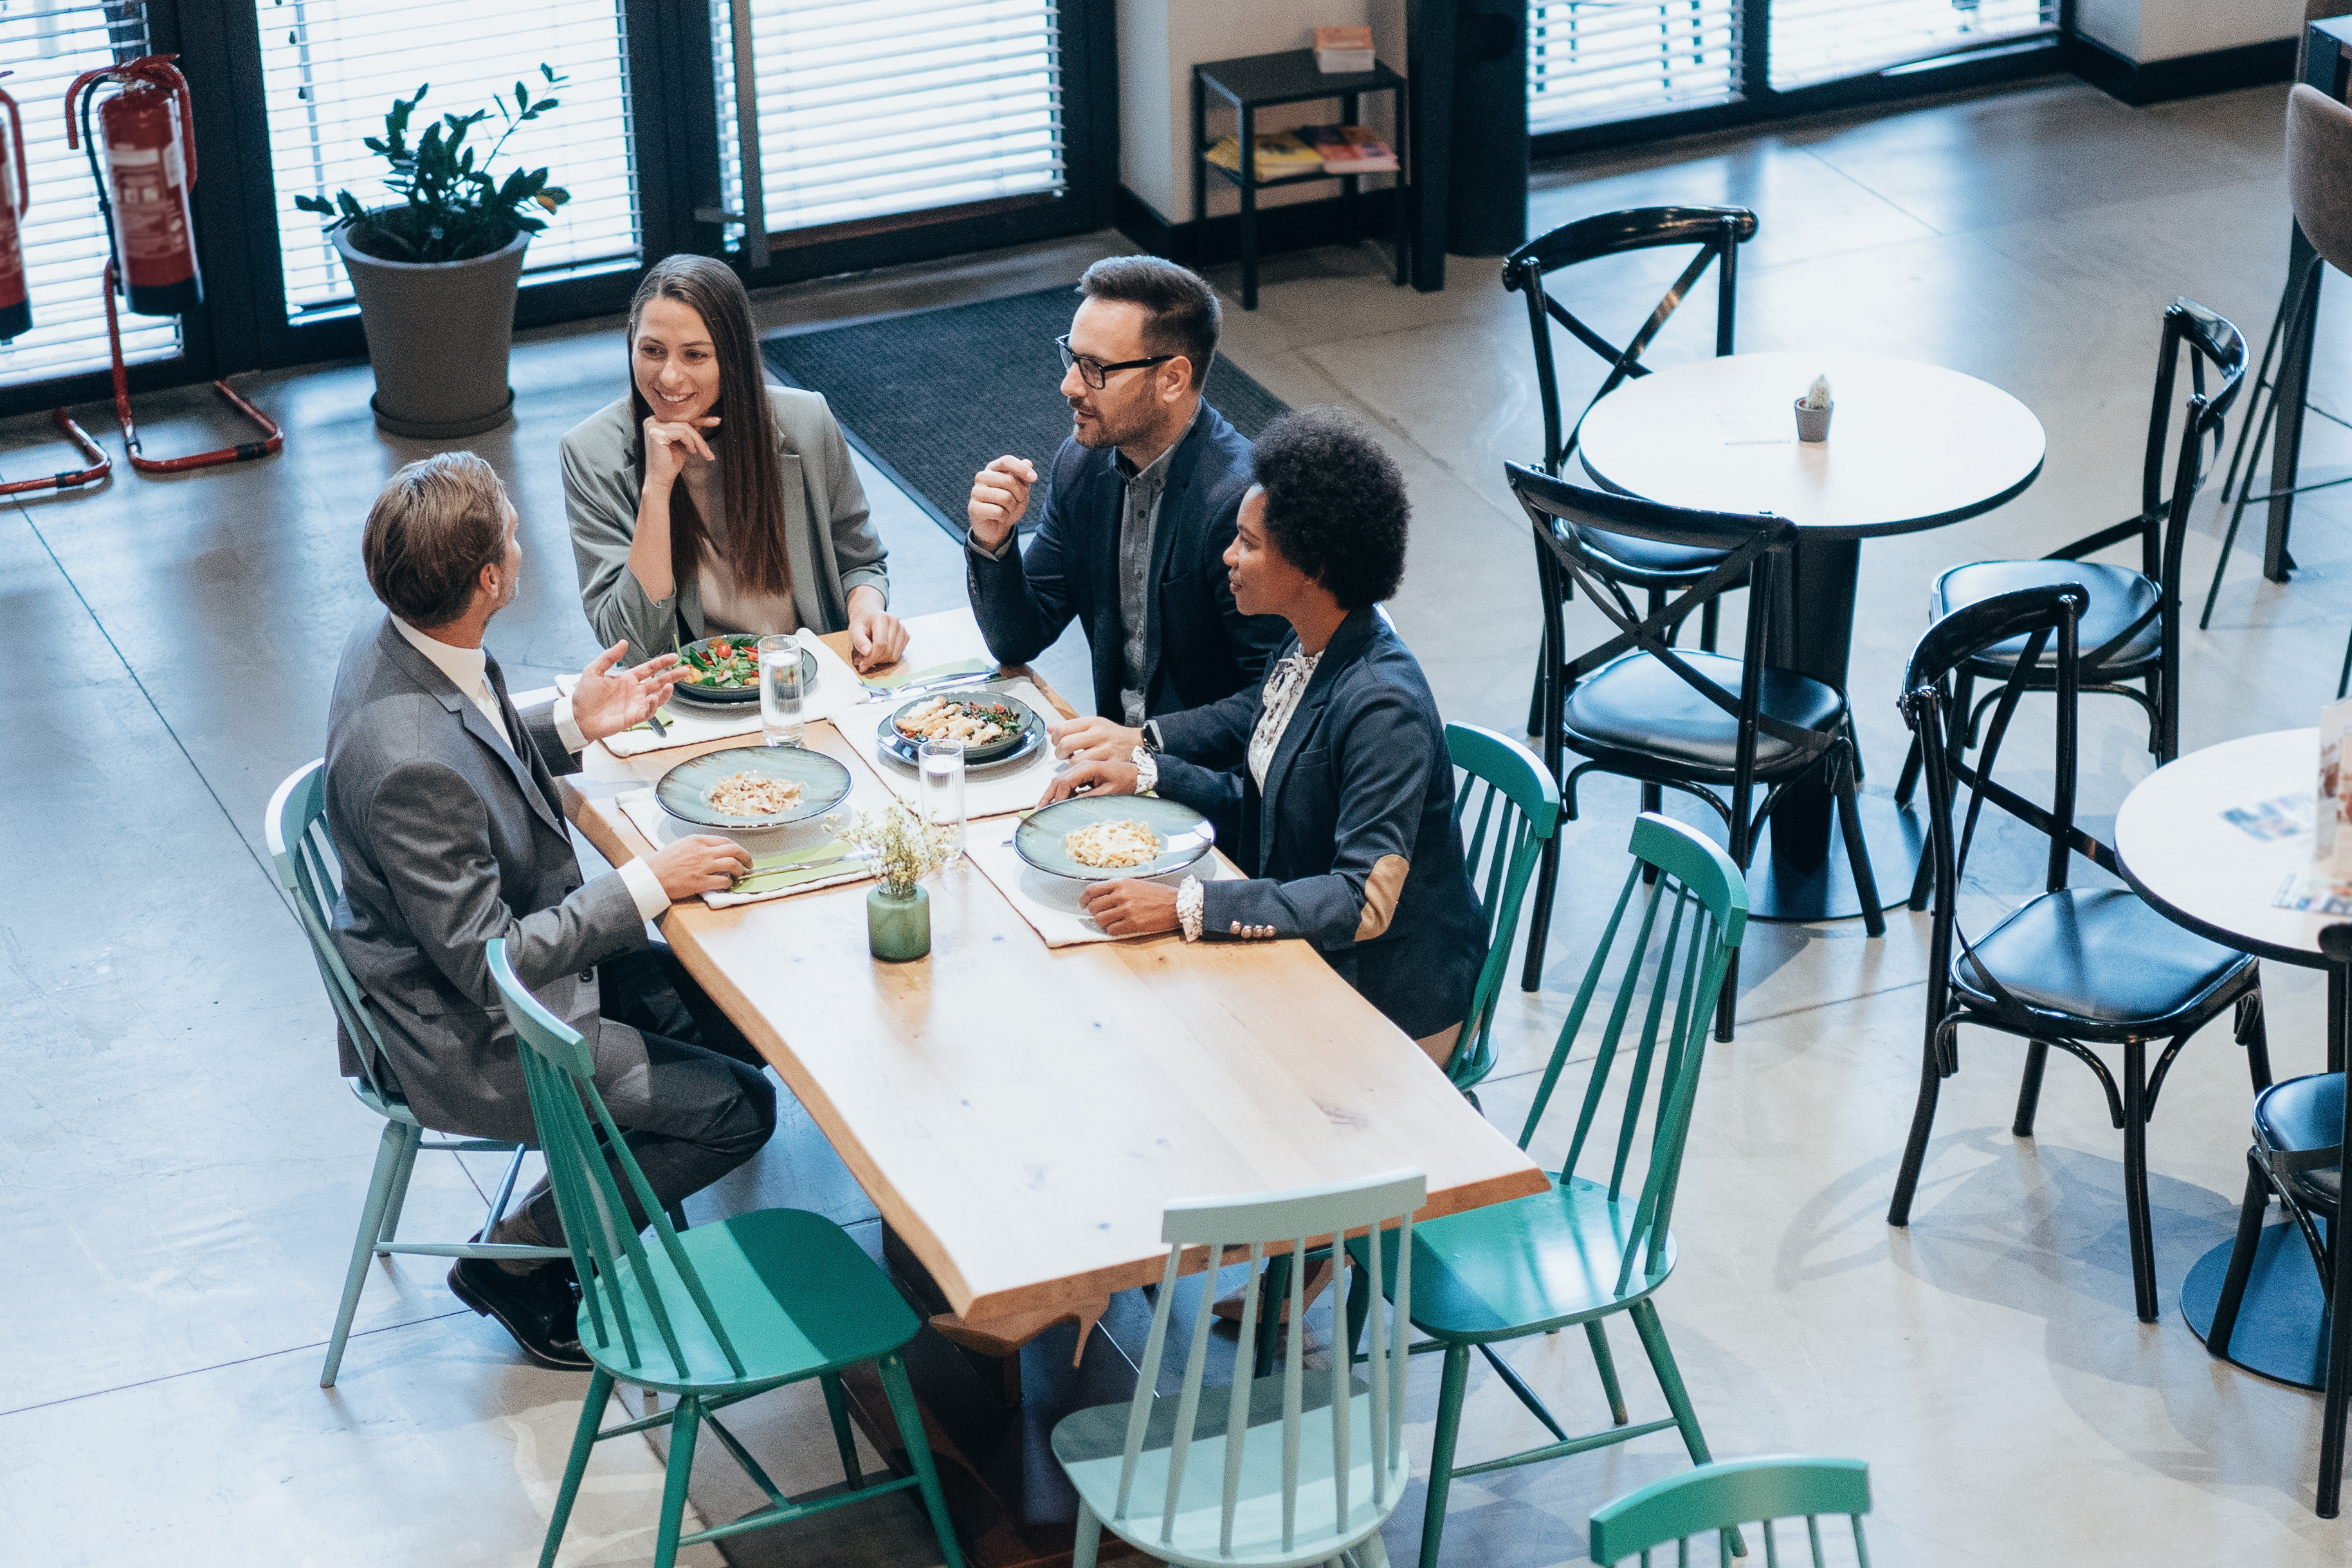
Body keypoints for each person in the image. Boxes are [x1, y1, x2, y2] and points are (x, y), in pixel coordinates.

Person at [326, 451, 772, 1371]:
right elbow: (487, 960)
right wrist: (650, 881)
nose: (523, 543)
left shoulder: (404, 637)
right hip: (468, 1031)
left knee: (734, 1012)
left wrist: (570, 724)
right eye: (514, 533)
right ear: (489, 578)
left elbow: (468, 742)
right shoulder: (405, 764)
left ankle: (593, 1186)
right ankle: (525, 1260)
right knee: (741, 1106)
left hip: (496, 977)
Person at [1041, 407, 1484, 1065]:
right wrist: (1148, 773)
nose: (1228, 555)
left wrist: (1189, 905)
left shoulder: (1382, 704)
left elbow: (1362, 900)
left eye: (1248, 543)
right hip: (1311, 953)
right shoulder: (1305, 643)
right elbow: (1268, 803)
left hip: (1391, 996)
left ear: (1311, 565)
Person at [965, 255, 1287, 722]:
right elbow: (1019, 639)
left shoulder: (1242, 503)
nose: (1068, 385)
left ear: (1172, 379)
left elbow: (1275, 703)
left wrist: (1145, 748)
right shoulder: (1081, 464)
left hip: (1208, 778)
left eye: (1095, 368)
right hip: (1122, 761)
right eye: (1071, 358)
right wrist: (993, 541)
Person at [564, 253, 908, 673]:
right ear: (631, 344)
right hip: (693, 696)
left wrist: (867, 613)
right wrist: (656, 489)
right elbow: (634, 646)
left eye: (695, 355)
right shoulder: (590, 453)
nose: (669, 377)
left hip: (811, 677)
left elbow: (860, 562)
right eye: (652, 351)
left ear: (732, 357)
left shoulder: (806, 421)